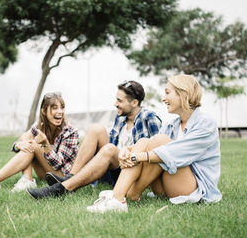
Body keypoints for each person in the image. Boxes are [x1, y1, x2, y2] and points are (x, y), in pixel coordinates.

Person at [86, 75, 222, 213]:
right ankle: (118, 196)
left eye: (168, 93)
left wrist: (135, 157)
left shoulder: (205, 124)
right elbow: (148, 145)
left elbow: (176, 153)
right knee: (144, 141)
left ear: (184, 94)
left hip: (193, 189)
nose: (164, 98)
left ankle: (126, 194)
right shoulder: (172, 125)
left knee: (160, 141)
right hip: (167, 185)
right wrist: (126, 151)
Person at [26, 80, 162, 199]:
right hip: (116, 167)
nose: (115, 104)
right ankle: (71, 176)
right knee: (96, 129)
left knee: (110, 149)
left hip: (132, 170)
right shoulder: (120, 118)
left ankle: (61, 189)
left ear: (134, 102)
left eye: (120, 101)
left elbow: (157, 151)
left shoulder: (149, 117)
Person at [0, 92, 79, 193]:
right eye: (55, 108)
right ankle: (26, 178)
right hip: (45, 173)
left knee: (32, 143)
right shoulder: (39, 126)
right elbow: (23, 139)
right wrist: (18, 145)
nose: (60, 111)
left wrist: (45, 143)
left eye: (62, 107)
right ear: (44, 111)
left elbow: (58, 164)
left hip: (62, 176)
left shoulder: (70, 131)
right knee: (26, 138)